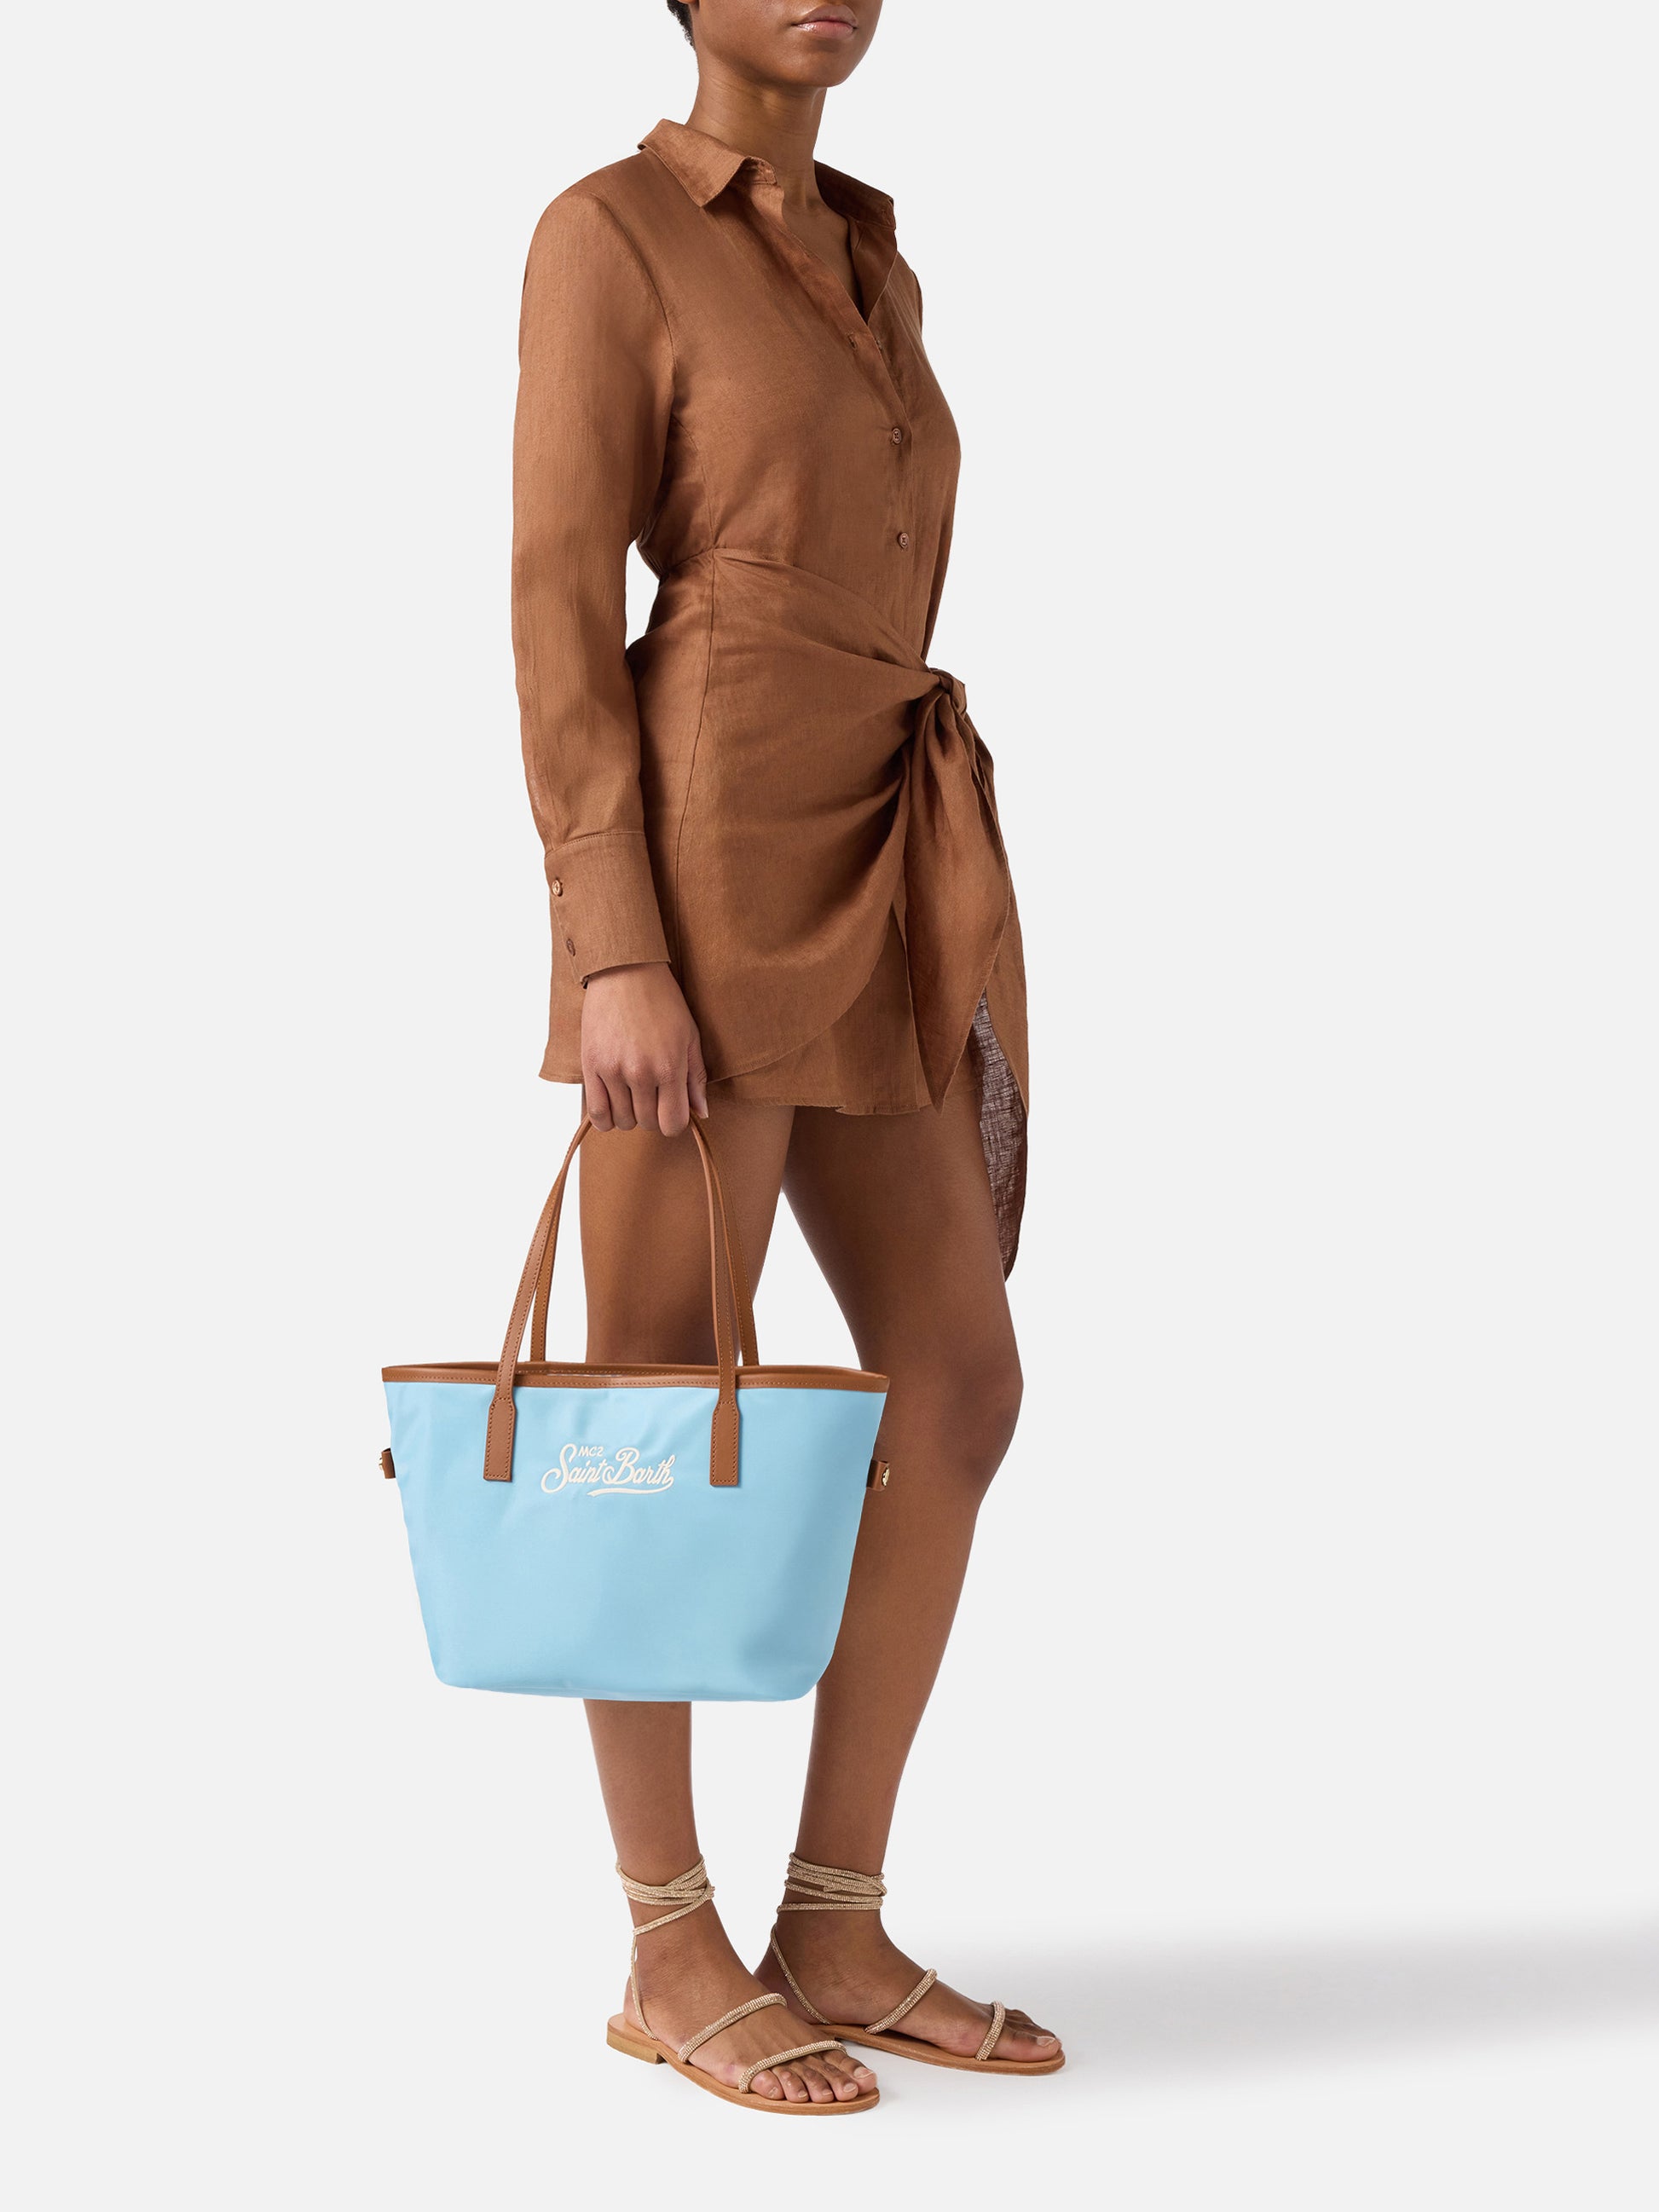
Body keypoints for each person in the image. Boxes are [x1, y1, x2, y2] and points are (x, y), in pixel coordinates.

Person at [512, 0, 1060, 2111]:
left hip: (880, 830)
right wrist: (613, 950)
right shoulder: (608, 232)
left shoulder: (870, 250)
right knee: (654, 1401)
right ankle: (668, 1939)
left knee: (959, 1372)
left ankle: (832, 1914)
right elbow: (556, 597)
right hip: (708, 842)